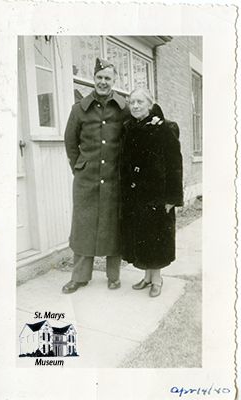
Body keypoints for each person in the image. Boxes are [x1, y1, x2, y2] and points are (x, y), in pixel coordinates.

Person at [62, 57, 129, 294]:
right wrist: (79, 166)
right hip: (86, 179)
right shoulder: (79, 109)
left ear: (114, 80)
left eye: (107, 78)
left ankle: (113, 276)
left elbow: (132, 137)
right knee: (83, 226)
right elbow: (70, 142)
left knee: (114, 225)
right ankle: (80, 277)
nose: (103, 82)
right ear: (94, 78)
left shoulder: (124, 108)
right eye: (99, 77)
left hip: (114, 178)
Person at [121, 88, 183, 297]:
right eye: (132, 102)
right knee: (143, 236)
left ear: (150, 104)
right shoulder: (129, 127)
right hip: (136, 195)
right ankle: (147, 277)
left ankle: (157, 279)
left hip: (157, 195)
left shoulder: (165, 128)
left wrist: (172, 198)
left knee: (155, 236)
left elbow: (175, 165)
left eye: (140, 102)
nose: (135, 106)